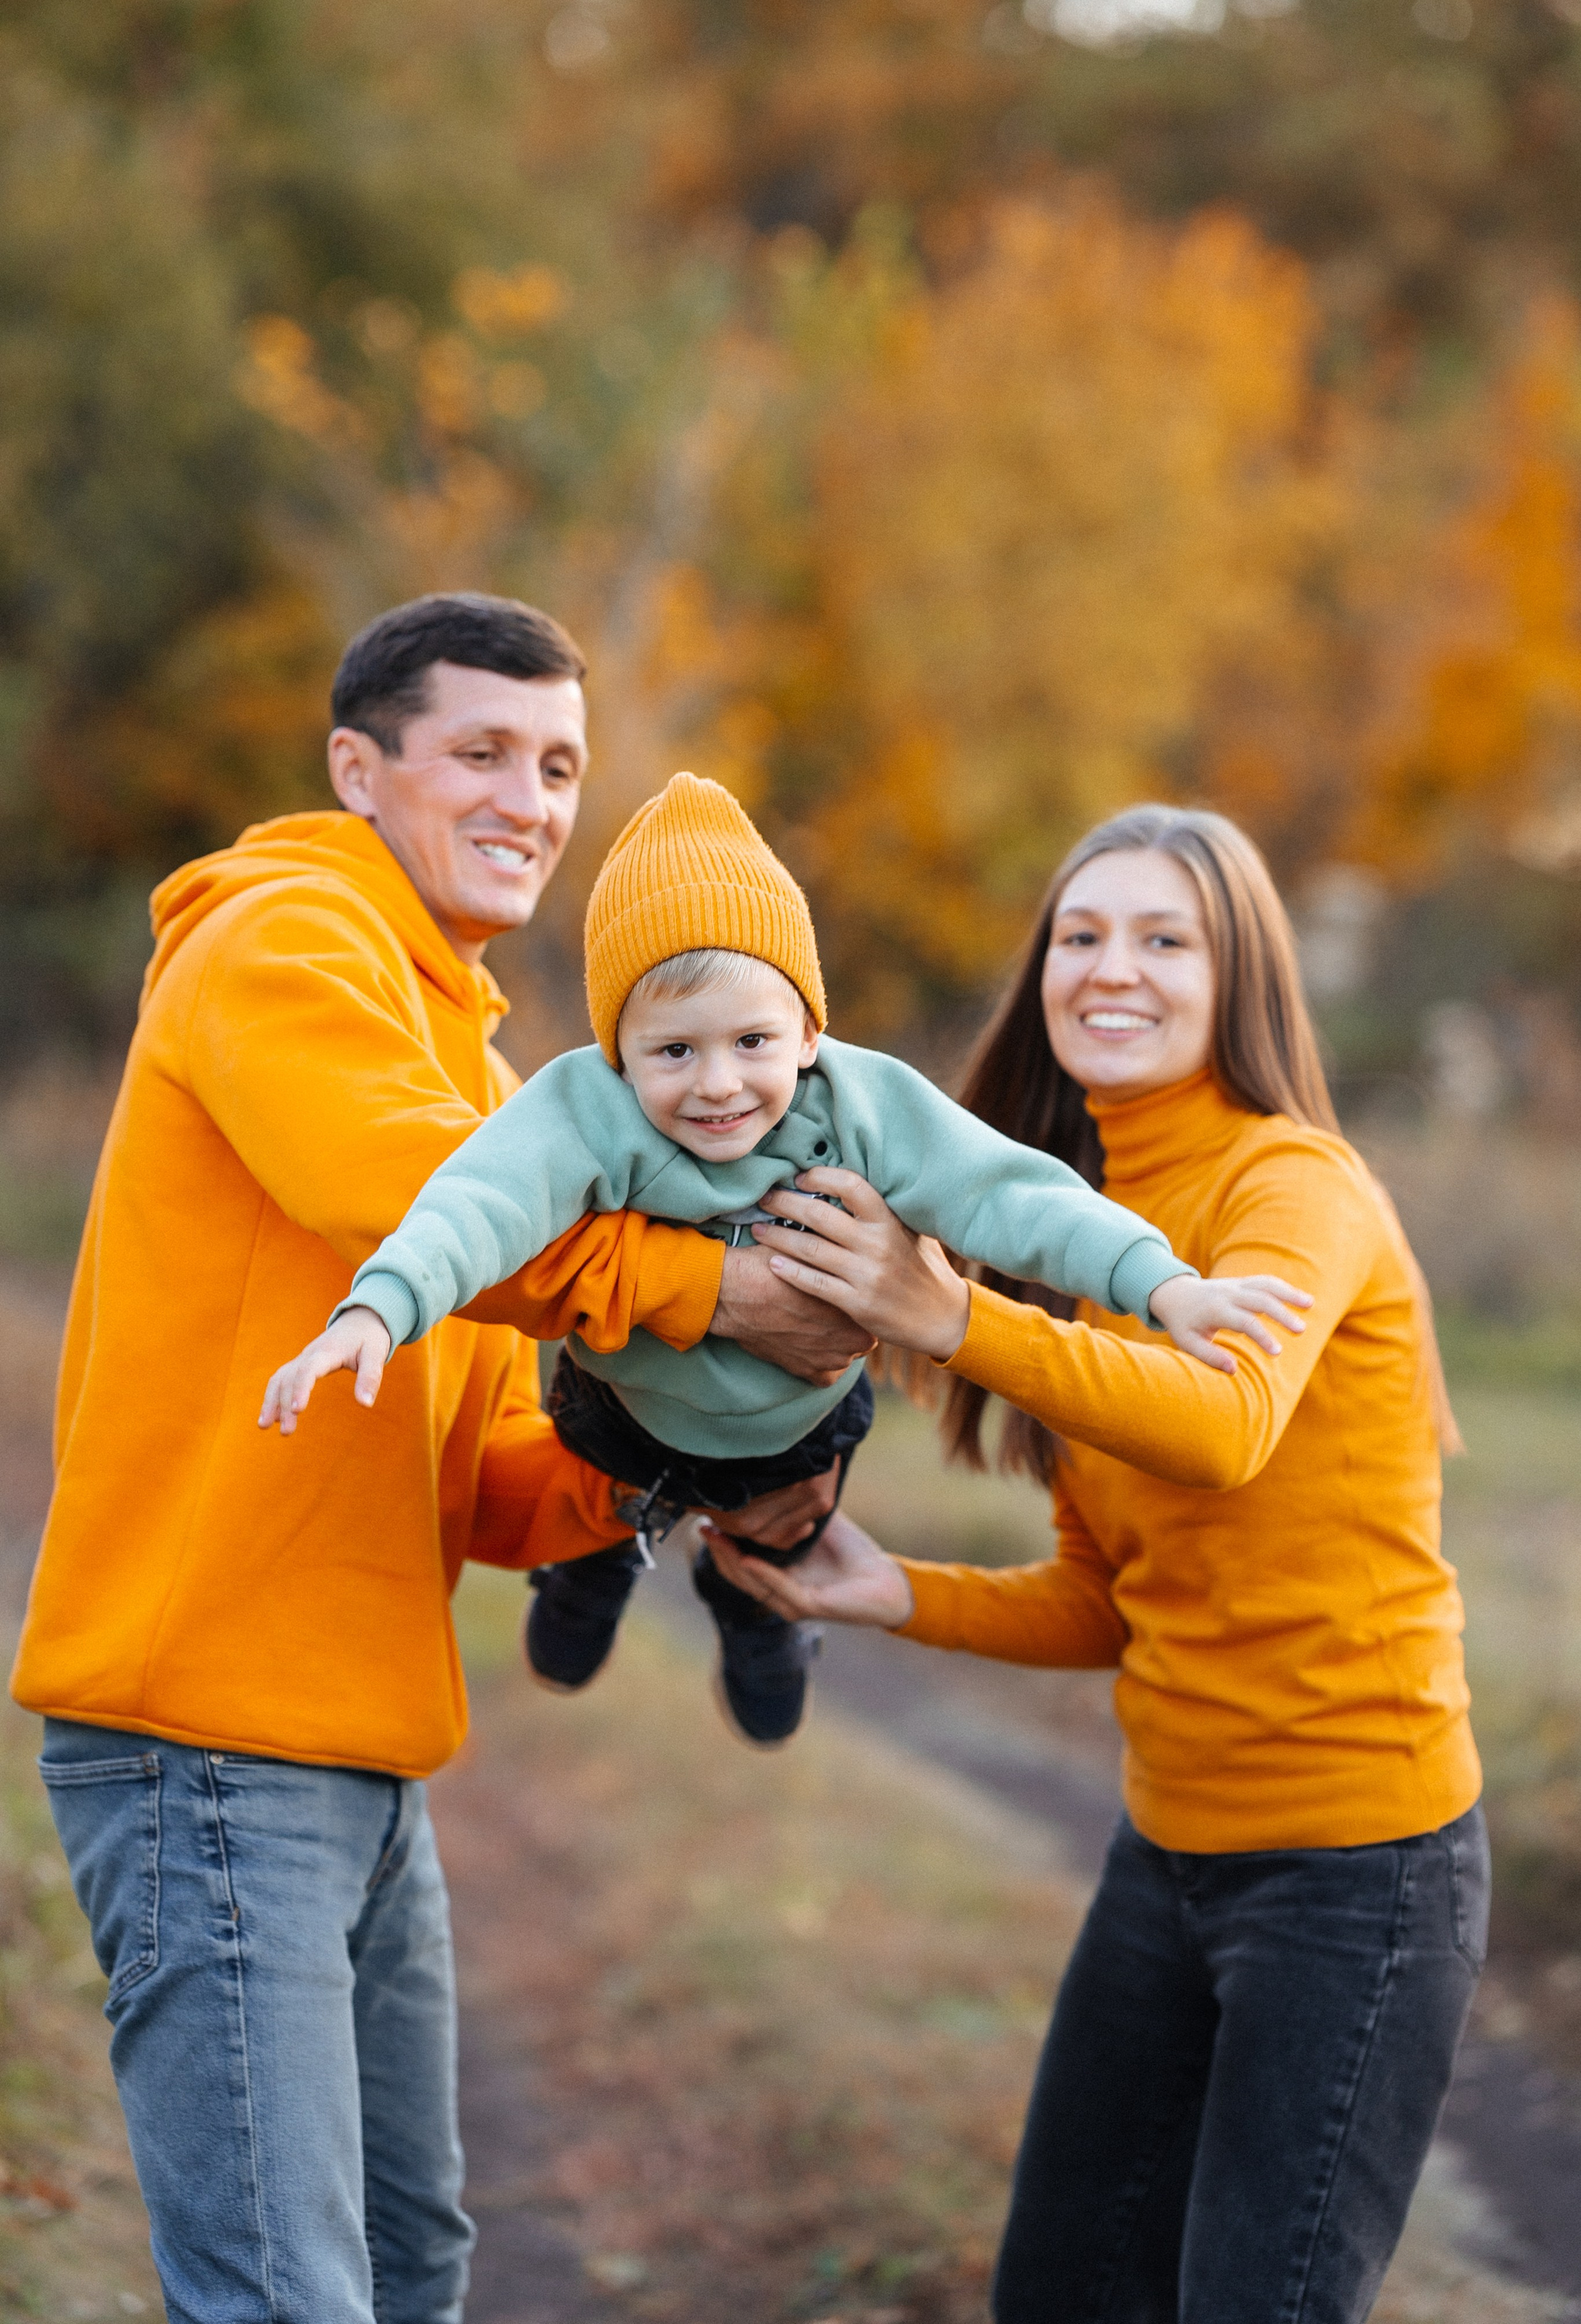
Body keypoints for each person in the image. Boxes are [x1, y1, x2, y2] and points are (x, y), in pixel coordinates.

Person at [9, 594, 868, 2324]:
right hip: (208, 1746)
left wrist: (687, 1471)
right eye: (482, 752)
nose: (527, 801)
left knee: (412, 2273)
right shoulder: (280, 940)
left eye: (556, 765)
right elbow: (413, 1199)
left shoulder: (475, 1060)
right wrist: (726, 1292)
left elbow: (476, 1478)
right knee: (288, 2296)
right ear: (359, 767)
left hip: (360, 1759)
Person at [702, 803, 1485, 2324]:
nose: (1109, 968)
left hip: (1354, 1873)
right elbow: (1107, 1599)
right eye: (1080, 934)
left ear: (1236, 978)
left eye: (1161, 938)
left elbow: (1223, 1424)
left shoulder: (1291, 1188)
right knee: (1057, 2293)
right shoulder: (1077, 1224)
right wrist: (891, 1591)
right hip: (1165, 1856)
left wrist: (951, 1318)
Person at [263, 773, 1306, 1748]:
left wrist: (1164, 1284)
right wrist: (380, 1307)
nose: (719, 1085)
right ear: (620, 1053)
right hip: (629, 1413)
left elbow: (1010, 1194)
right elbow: (480, 1202)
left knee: (782, 1533)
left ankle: (757, 1603)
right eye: (675, 1051)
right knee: (593, 1479)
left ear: (808, 1031)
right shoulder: (585, 1109)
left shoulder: (862, 1103)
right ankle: (590, 1565)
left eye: (752, 1043)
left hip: (798, 1429)